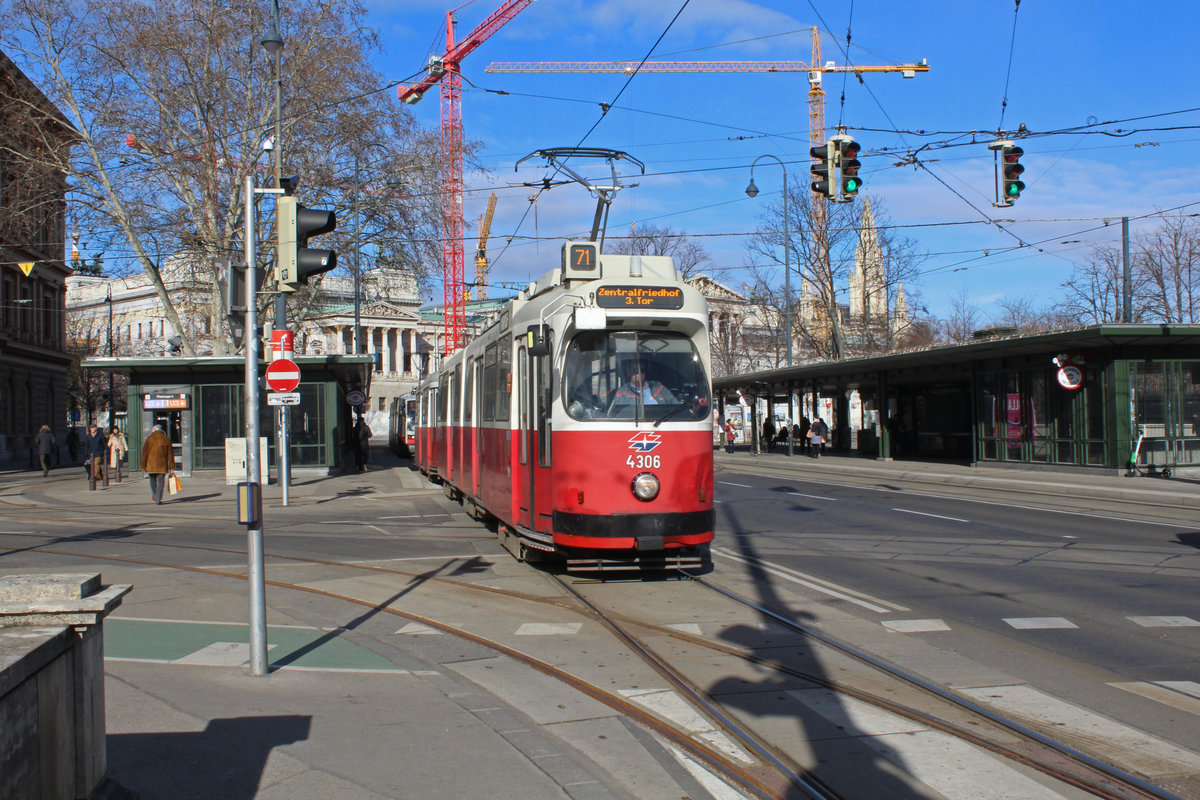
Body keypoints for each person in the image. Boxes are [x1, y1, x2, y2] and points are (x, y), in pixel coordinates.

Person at [612, 360, 677, 409]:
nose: (639, 373)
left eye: (642, 370)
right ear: (629, 372)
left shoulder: (658, 387)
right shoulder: (622, 392)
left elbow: (676, 406)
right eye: (635, 371)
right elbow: (618, 414)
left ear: (645, 372)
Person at [140, 424, 174, 504]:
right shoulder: (166, 439)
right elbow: (170, 455)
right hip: (162, 465)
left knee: (152, 480)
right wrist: (172, 466)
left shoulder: (149, 439)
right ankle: (158, 499)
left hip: (151, 465)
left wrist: (143, 465)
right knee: (160, 483)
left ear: (154, 430)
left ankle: (155, 495)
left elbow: (145, 453)